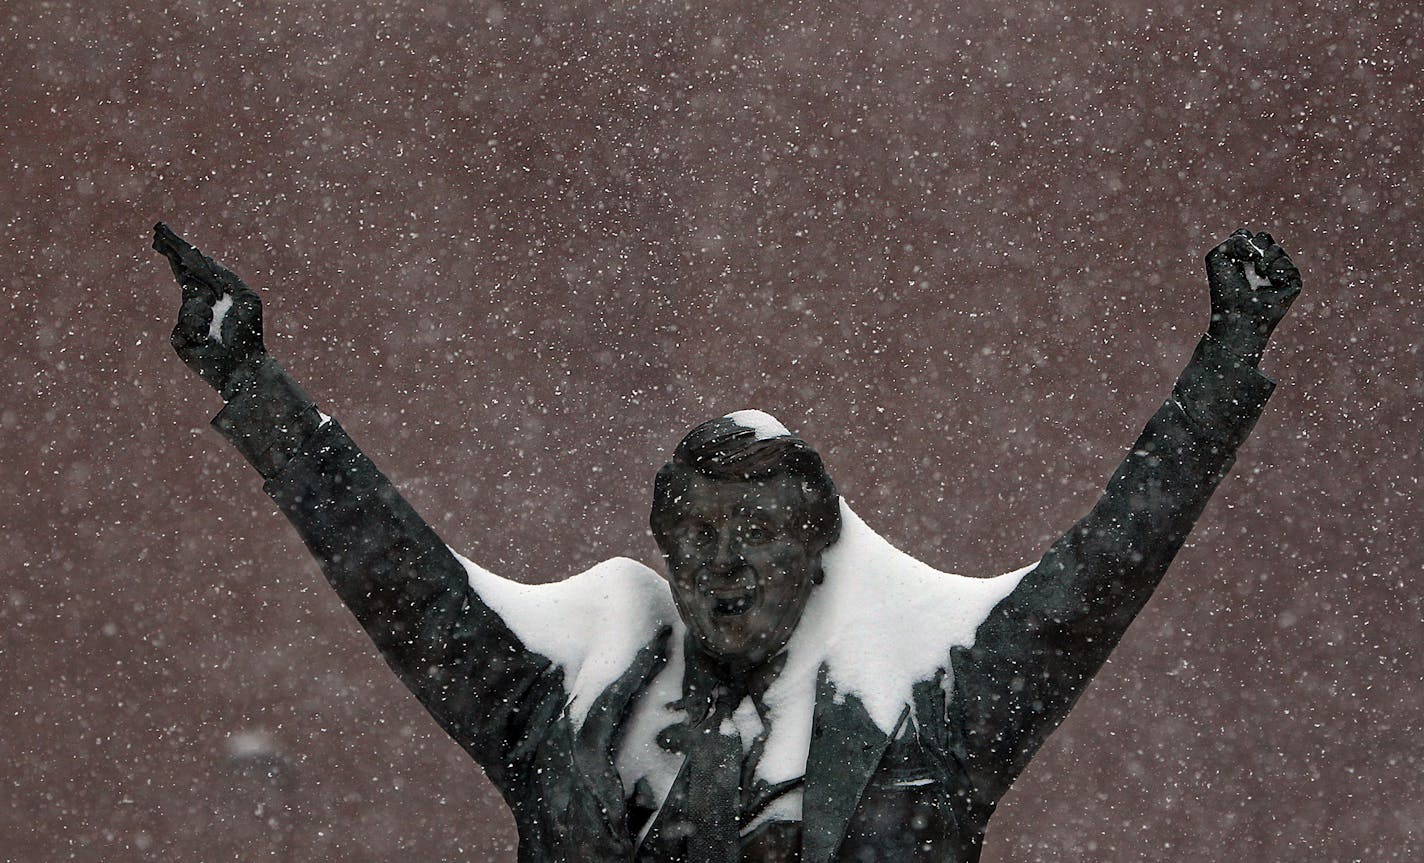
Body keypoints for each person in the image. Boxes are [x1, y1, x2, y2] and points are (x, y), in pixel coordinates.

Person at [154, 223, 1301, 862]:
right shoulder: (570, 709)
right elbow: (398, 575)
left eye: (757, 529)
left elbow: (1105, 566)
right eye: (695, 532)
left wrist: (1221, 364)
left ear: (817, 552)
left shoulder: (927, 707)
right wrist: (253, 385)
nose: (724, 560)